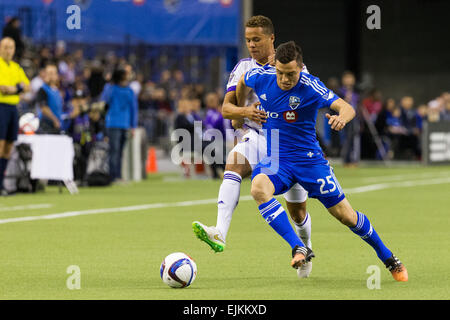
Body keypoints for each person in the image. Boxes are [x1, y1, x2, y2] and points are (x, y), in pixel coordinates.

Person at [234, 41, 407, 282]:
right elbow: (242, 81)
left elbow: (346, 107)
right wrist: (241, 110)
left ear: (300, 68)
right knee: (258, 188)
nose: (285, 79)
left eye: (291, 74)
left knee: (347, 216)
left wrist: (341, 119)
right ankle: (298, 247)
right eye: (280, 73)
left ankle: (387, 256)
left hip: (310, 162)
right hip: (278, 161)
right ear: (274, 66)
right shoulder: (260, 76)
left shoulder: (310, 85)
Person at [192, 15, 314, 279]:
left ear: (271, 38)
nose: (252, 45)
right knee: (233, 164)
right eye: (248, 40)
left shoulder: (293, 67)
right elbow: (226, 108)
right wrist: (245, 110)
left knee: (298, 210)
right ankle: (220, 232)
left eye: (257, 39)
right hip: (258, 137)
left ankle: (306, 246)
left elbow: (306, 102)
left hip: (289, 144)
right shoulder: (243, 67)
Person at [0, 37, 30, 196]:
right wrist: (17, 88)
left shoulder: (16, 67)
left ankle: (1, 184)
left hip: (13, 108)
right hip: (1, 107)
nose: (8, 50)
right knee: (0, 144)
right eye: (5, 47)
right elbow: (3, 89)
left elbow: (27, 85)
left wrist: (15, 88)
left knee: (8, 147)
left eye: (11, 47)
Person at [100, 68, 138, 182]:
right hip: (113, 123)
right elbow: (103, 102)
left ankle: (118, 175)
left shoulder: (129, 91)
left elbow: (133, 109)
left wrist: (133, 126)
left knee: (120, 151)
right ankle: (113, 176)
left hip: (123, 124)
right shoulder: (111, 89)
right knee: (114, 150)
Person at [36, 64, 64, 134]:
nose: (51, 76)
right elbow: (44, 109)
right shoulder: (43, 89)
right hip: (46, 124)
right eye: (49, 73)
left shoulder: (57, 90)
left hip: (56, 124)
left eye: (53, 73)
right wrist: (55, 120)